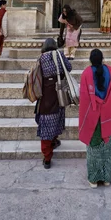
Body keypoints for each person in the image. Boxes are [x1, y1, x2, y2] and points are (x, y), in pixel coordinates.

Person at [79, 49, 111, 188]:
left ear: (90, 59)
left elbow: (84, 99)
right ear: (102, 59)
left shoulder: (86, 74)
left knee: (94, 148)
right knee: (107, 149)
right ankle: (106, 178)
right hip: (108, 115)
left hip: (93, 116)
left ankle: (94, 179)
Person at [35, 38, 72, 169]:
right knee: (57, 116)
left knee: (46, 122)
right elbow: (69, 67)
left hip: (46, 94)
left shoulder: (41, 58)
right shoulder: (60, 54)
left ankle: (47, 158)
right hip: (59, 92)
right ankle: (54, 140)